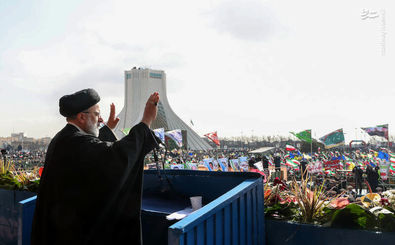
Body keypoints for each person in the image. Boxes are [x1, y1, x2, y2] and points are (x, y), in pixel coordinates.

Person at [31, 89, 160, 245]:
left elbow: (94, 156)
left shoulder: (64, 138)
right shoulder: (76, 142)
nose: (101, 119)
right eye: (97, 114)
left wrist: (107, 130)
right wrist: (145, 123)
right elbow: (115, 159)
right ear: (81, 117)